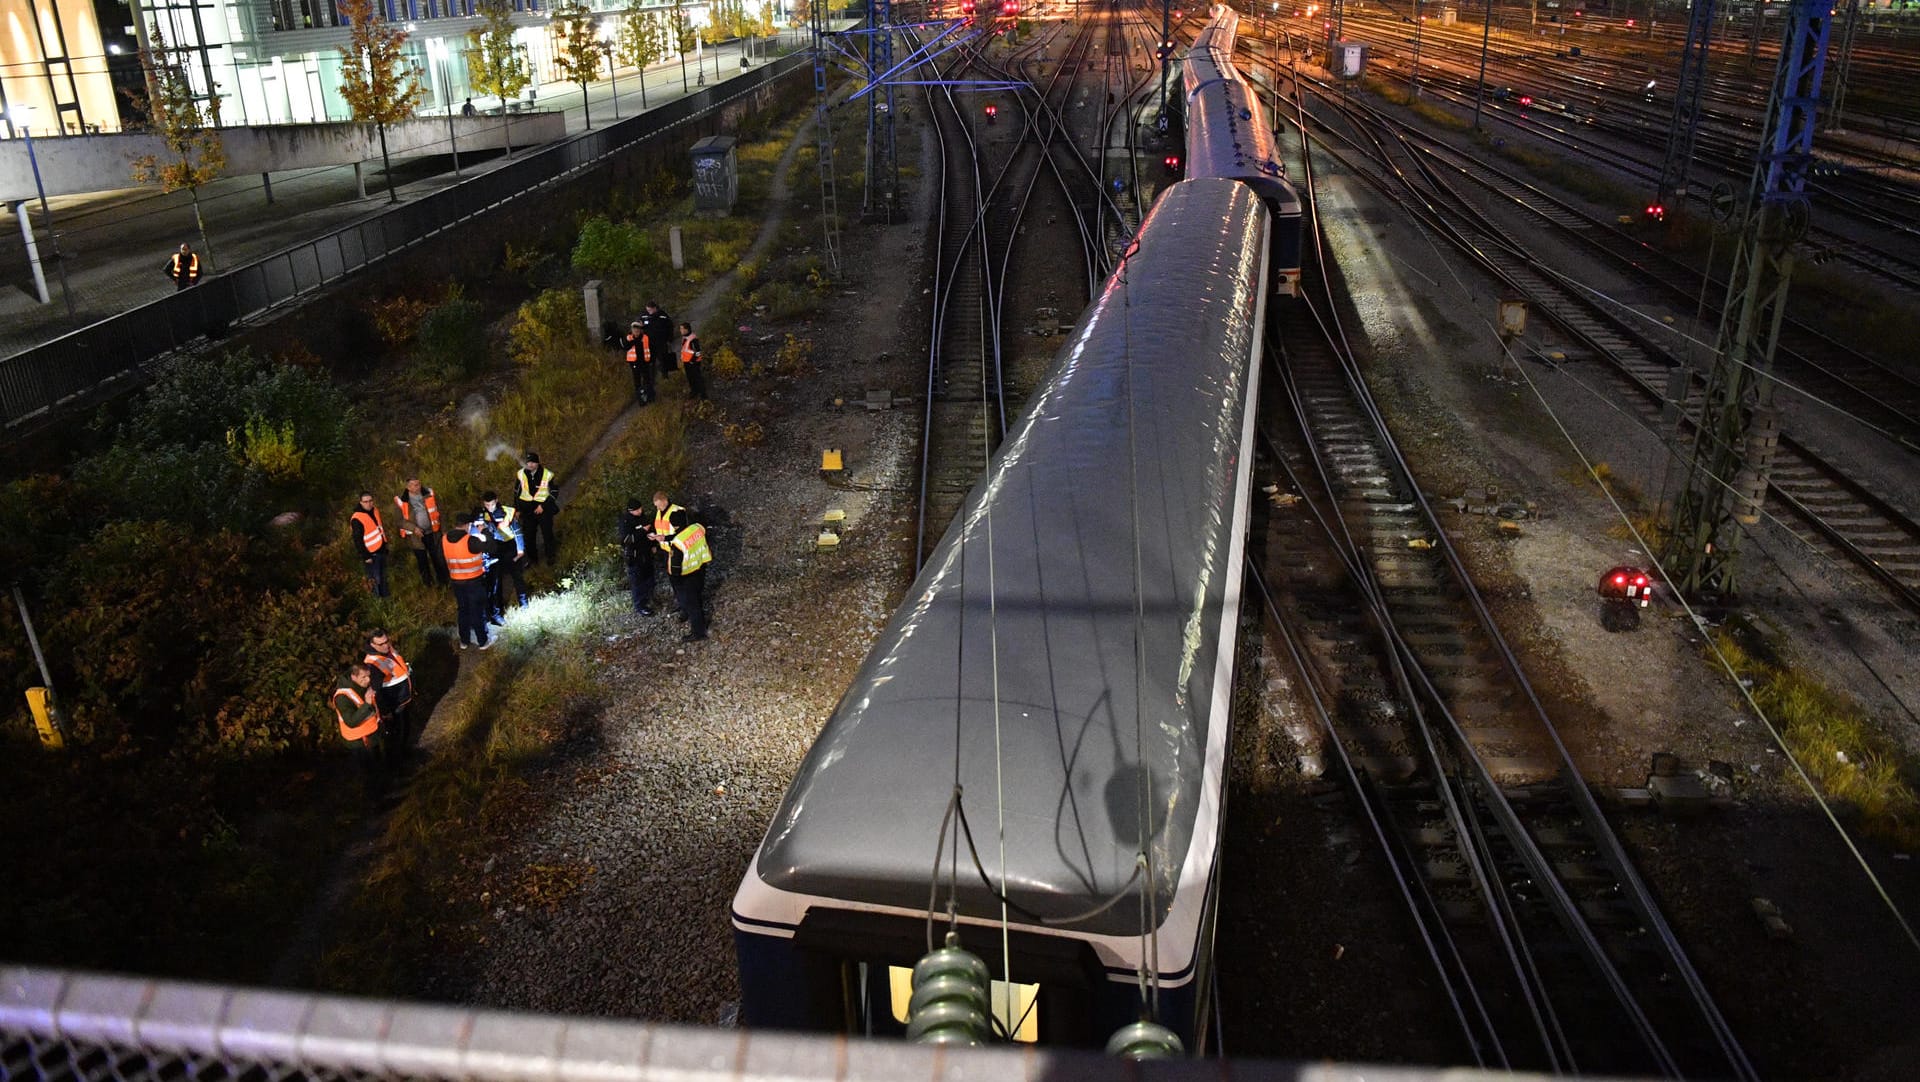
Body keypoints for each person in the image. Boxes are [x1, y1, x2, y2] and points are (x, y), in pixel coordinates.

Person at [650, 490, 711, 641]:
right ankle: (685, 608)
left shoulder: (677, 518)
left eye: (659, 505)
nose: (658, 509)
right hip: (693, 563)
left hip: (683, 563)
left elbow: (676, 569)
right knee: (691, 595)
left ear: (664, 501)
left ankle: (698, 631)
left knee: (691, 599)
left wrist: (665, 538)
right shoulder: (697, 529)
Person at [441, 513, 495, 651]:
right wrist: (484, 530)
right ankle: (483, 641)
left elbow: (441, 558)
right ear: (467, 525)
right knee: (477, 611)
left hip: (456, 582)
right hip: (473, 582)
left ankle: (464, 641)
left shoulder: (444, 539)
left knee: (463, 611)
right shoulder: (469, 541)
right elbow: (491, 547)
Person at [363, 629, 415, 768]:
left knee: (404, 730)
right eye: (381, 644)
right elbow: (376, 691)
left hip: (402, 699)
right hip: (393, 705)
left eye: (387, 641)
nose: (386, 645)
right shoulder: (373, 664)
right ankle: (397, 765)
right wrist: (385, 712)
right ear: (372, 645)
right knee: (396, 735)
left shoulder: (387, 651)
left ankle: (404, 754)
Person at [330, 663, 385, 785]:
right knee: (368, 775)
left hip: (371, 736)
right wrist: (367, 704)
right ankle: (375, 801)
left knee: (377, 769)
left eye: (369, 676)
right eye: (364, 677)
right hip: (359, 742)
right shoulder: (342, 697)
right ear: (353, 677)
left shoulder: (362, 685)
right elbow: (351, 721)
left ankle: (383, 792)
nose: (368, 680)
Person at [477, 491, 528, 621]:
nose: (490, 507)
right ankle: (497, 611)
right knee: (496, 582)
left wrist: (520, 550)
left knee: (517, 576)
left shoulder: (508, 512)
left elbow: (517, 532)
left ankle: (524, 604)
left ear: (497, 500)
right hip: (494, 548)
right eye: (487, 505)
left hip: (509, 546)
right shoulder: (481, 515)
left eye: (492, 504)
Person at [393, 478, 447, 587]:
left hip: (433, 533)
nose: (417, 487)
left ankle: (444, 583)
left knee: (438, 559)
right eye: (413, 485)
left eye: (418, 484)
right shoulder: (401, 501)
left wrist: (444, 530)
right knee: (422, 562)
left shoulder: (429, 494)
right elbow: (399, 521)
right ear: (408, 487)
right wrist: (414, 528)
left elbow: (440, 512)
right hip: (415, 537)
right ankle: (428, 585)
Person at [514, 451, 558, 566]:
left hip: (544, 509)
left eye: (533, 462)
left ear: (538, 463)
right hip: (527, 510)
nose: (530, 465)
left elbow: (554, 492)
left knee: (547, 534)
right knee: (528, 536)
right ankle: (533, 560)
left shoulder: (547, 474)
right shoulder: (521, 474)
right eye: (528, 462)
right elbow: (516, 493)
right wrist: (517, 509)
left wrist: (543, 506)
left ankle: (550, 556)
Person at [621, 499, 659, 615]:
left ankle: (650, 599)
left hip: (647, 554)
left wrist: (653, 544)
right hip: (635, 557)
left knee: (650, 579)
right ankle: (640, 606)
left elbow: (651, 530)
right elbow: (627, 540)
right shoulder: (625, 521)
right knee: (638, 582)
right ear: (630, 511)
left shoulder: (643, 516)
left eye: (640, 508)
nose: (640, 511)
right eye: (637, 510)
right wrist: (642, 531)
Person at [349, 492, 389, 598]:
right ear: (361, 503)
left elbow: (379, 529)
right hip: (371, 554)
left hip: (381, 550)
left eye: (370, 501)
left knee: (383, 578)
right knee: (375, 581)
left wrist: (385, 546)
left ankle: (386, 601)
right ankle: (378, 604)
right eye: (366, 502)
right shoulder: (357, 518)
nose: (369, 503)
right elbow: (357, 540)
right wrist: (366, 556)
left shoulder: (375, 511)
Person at [621, 319, 656, 405]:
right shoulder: (628, 338)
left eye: (637, 330)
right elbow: (625, 347)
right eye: (634, 330)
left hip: (645, 362)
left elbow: (652, 349)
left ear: (640, 330)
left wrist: (651, 360)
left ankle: (650, 397)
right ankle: (641, 399)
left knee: (647, 380)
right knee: (637, 381)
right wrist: (633, 341)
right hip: (634, 363)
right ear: (632, 330)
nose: (636, 332)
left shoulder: (645, 338)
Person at [641, 301, 676, 373]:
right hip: (649, 343)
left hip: (661, 342)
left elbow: (670, 327)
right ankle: (652, 379)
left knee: (663, 360)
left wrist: (670, 339)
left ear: (654, 308)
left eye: (650, 310)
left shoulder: (662, 316)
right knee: (650, 362)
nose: (648, 311)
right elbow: (639, 325)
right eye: (647, 310)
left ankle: (665, 376)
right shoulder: (644, 316)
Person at [678, 322, 708, 400]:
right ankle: (694, 391)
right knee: (690, 378)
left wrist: (695, 361)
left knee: (698, 378)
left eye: (682, 329)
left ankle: (703, 394)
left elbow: (698, 352)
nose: (680, 330)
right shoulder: (684, 338)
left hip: (693, 363)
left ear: (687, 329)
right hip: (687, 362)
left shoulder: (693, 339)